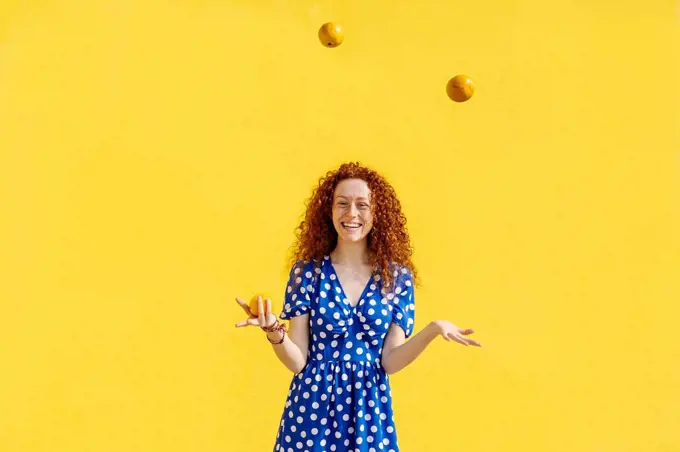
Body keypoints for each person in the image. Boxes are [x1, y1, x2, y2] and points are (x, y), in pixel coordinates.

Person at [235, 162, 481, 452]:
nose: (351, 213)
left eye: (362, 205)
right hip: (310, 411)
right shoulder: (306, 273)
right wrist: (273, 330)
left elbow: (389, 361)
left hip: (369, 413)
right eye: (342, 204)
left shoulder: (397, 278)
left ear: (377, 213)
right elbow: (298, 361)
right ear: (329, 211)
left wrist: (434, 329)